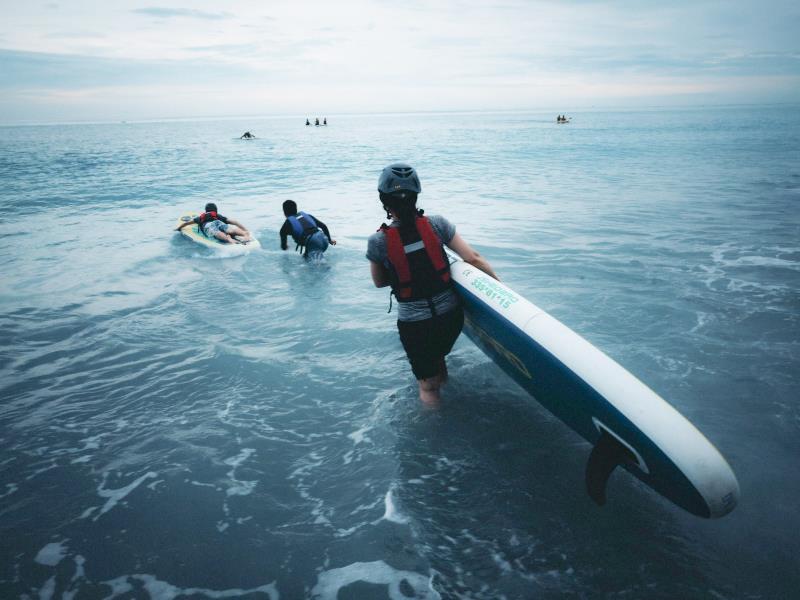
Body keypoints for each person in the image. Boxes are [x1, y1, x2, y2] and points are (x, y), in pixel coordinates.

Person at [366, 163, 498, 407]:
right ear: (416, 195)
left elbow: (379, 282)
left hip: (415, 325)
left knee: (427, 386)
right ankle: (445, 387)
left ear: (384, 202)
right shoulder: (437, 224)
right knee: (438, 359)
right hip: (450, 318)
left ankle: (435, 436)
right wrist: (499, 289)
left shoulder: (378, 241)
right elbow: (473, 259)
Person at [176, 202, 253, 244]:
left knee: (217, 233)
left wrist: (179, 228)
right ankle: (244, 234)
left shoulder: (201, 217)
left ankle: (228, 239)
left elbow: (186, 223)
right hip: (218, 222)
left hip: (208, 225)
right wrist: (245, 229)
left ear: (206, 211)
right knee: (230, 230)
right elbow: (234, 222)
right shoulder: (218, 216)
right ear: (215, 210)